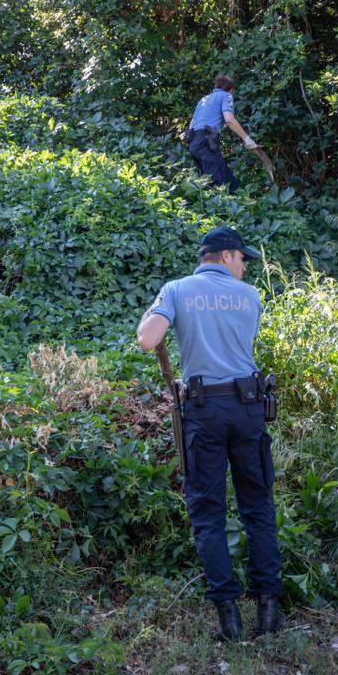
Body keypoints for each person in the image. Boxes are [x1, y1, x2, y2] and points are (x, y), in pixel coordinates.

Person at [137, 225, 282, 641]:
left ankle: (229, 620)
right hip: (250, 407)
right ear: (224, 256)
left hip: (204, 410)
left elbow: (148, 340)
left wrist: (157, 313)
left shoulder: (177, 290)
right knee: (258, 507)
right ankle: (269, 613)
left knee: (208, 514)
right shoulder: (250, 298)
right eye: (241, 260)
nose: (244, 269)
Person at [187, 75, 260, 193]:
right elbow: (230, 120)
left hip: (194, 143)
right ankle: (217, 208)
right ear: (231, 89)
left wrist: (220, 124)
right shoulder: (226, 96)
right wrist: (247, 139)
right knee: (218, 186)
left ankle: (240, 203)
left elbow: (193, 124)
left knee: (228, 181)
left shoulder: (203, 99)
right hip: (207, 142)